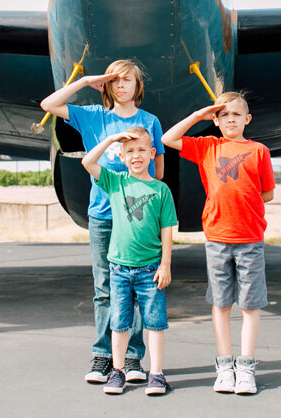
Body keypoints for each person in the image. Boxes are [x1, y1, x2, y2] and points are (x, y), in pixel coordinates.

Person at [39, 59, 165, 384]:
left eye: (128, 80)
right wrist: (84, 81)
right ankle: (103, 356)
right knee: (104, 288)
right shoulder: (93, 116)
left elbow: (159, 172)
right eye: (116, 80)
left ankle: (134, 359)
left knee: (138, 288)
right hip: (103, 215)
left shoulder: (150, 122)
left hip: (138, 217)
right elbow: (49, 104)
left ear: (139, 86)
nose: (122, 85)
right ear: (108, 86)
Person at [161, 91, 274, 395]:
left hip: (250, 238)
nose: (231, 120)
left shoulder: (259, 151)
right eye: (224, 115)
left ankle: (246, 366)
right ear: (216, 120)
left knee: (250, 305)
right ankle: (225, 367)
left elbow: (267, 193)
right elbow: (169, 139)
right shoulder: (206, 147)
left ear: (247, 119)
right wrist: (198, 115)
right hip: (217, 237)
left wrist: (244, 206)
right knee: (221, 303)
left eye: (236, 114)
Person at [81, 128, 177, 396]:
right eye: (130, 151)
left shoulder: (161, 190)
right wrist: (111, 139)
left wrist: (166, 263)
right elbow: (88, 162)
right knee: (119, 324)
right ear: (122, 157)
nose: (136, 156)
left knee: (155, 324)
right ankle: (118, 371)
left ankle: (156, 374)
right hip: (119, 270)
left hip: (150, 270)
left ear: (152, 153)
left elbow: (168, 227)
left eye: (142, 150)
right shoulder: (116, 182)